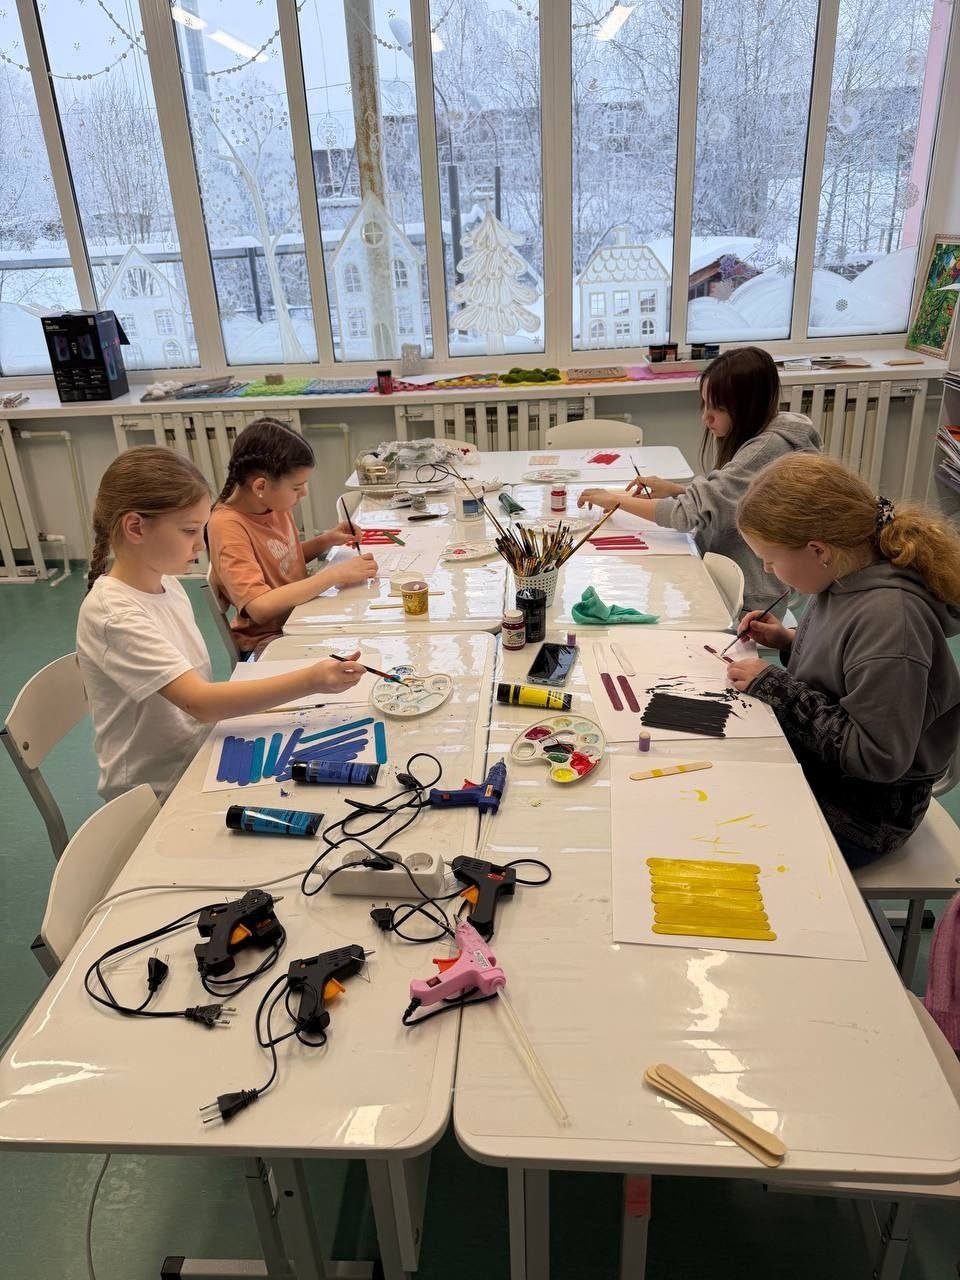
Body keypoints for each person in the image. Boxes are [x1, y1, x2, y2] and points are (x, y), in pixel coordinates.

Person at [77, 447, 364, 801]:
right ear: (136, 527)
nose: (201, 544)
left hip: (201, 751)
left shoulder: (167, 584)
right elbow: (202, 703)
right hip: (159, 790)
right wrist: (312, 680)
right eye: (189, 531)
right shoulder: (114, 614)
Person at [727, 452, 960, 866]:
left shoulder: (891, 620)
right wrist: (787, 640)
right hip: (826, 769)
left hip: (865, 812)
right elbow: (847, 665)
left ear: (818, 549)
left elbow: (876, 757)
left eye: (771, 560)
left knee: (718, 828)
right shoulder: (843, 577)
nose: (767, 569)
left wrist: (778, 688)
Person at [577, 347, 821, 613]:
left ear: (749, 406)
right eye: (704, 404)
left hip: (749, 602)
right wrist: (676, 489)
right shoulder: (768, 434)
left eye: (718, 408)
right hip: (733, 584)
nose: (706, 417)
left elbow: (686, 515)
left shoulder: (765, 449)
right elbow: (734, 499)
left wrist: (616, 501)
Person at [207, 417, 377, 654]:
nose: (303, 493)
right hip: (268, 640)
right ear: (260, 487)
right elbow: (259, 607)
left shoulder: (271, 504)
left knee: (368, 630)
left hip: (300, 617)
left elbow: (284, 560)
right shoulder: (227, 527)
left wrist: (327, 540)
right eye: (296, 487)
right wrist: (335, 575)